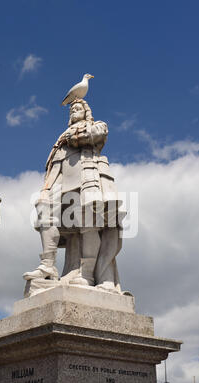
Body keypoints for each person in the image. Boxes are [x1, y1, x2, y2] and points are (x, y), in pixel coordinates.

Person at [24, 99, 125, 293]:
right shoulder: (61, 139)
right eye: (71, 110)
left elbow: (98, 134)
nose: (73, 111)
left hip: (88, 177)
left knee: (89, 224)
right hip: (62, 183)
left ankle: (86, 275)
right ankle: (47, 265)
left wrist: (74, 135)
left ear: (86, 112)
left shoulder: (95, 126)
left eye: (78, 108)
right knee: (44, 210)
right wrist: (45, 189)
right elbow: (54, 166)